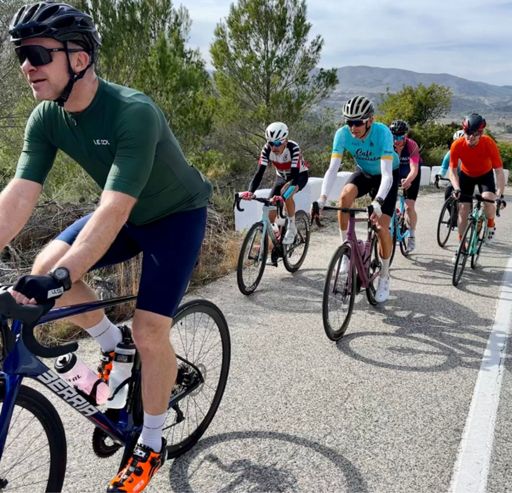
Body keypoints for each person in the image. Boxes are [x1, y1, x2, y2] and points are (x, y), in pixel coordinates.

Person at [6, 3, 212, 491]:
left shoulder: (133, 111)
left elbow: (113, 209)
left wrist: (60, 280)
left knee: (149, 330)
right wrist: (55, 272)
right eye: (20, 55)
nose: (27, 66)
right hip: (124, 215)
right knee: (46, 261)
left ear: (79, 59)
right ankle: (110, 343)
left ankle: (152, 442)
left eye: (38, 54)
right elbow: (18, 196)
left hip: (174, 217)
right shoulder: (46, 117)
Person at [315, 96, 400, 303]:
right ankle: (346, 251)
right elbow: (333, 169)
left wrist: (378, 202)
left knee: (381, 227)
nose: (353, 128)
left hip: (387, 175)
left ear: (370, 120)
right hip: (364, 172)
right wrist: (322, 199)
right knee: (344, 197)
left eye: (358, 122)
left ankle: (385, 275)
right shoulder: (342, 134)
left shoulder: (383, 133)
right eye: (349, 122)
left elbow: (386, 174)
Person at [240, 122, 309, 246]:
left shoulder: (293, 148)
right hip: (281, 176)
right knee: (269, 208)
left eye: (277, 144)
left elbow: (294, 176)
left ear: (285, 141)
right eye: (271, 143)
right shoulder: (266, 149)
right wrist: (250, 191)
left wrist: (283, 196)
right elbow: (259, 173)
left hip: (298, 176)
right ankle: (270, 245)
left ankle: (292, 227)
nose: (273, 148)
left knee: (286, 193)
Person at [448, 113, 505, 257]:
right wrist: (456, 188)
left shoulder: (489, 143)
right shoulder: (457, 145)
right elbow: (452, 171)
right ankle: (462, 244)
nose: (470, 137)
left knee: (488, 200)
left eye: (475, 134)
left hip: (485, 175)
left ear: (481, 133)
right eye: (467, 132)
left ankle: (490, 222)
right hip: (466, 175)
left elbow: (499, 172)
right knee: (463, 209)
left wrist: (499, 194)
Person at [389, 120, 421, 253]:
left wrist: (408, 180)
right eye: (394, 137)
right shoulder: (387, 145)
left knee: (409, 207)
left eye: (400, 137)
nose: (397, 141)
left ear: (405, 136)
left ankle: (411, 236)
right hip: (395, 173)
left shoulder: (412, 145)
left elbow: (414, 168)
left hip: (411, 174)